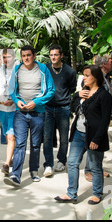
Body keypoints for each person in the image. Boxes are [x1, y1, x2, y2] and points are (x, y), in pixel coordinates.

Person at [54, 65, 112, 204]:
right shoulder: (83, 92)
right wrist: (76, 95)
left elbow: (105, 120)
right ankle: (71, 193)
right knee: (73, 163)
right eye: (84, 75)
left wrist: (97, 139)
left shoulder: (104, 95)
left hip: (93, 136)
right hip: (79, 133)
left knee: (95, 166)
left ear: (96, 77)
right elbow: (73, 108)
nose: (84, 78)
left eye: (87, 75)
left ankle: (97, 193)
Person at [4, 45, 55, 187]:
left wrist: (36, 102)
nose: (26, 58)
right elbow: (12, 90)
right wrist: (17, 101)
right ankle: (15, 175)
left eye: (28, 55)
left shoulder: (43, 69)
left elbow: (51, 90)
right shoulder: (17, 70)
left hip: (38, 113)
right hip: (20, 113)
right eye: (24, 55)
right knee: (20, 144)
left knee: (35, 144)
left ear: (34, 55)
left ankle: (33, 170)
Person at [43, 45, 76, 177]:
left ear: (61, 55)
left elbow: (72, 88)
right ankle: (48, 164)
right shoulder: (45, 69)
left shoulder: (69, 71)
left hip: (63, 107)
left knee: (63, 137)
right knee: (47, 137)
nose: (53, 57)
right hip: (48, 107)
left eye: (56, 55)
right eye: (51, 55)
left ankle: (61, 160)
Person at [83, 54, 112, 182]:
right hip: (95, 119)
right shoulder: (93, 78)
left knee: (98, 145)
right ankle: (89, 170)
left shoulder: (106, 78)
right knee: (93, 145)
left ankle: (96, 168)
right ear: (103, 64)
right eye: (111, 62)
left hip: (103, 116)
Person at [0, 48, 17, 176]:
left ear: (14, 57)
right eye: (4, 57)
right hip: (2, 108)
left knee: (11, 135)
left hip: (14, 109)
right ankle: (11, 157)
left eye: (9, 57)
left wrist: (13, 100)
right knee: (8, 135)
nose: (6, 60)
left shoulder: (19, 70)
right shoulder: (0, 71)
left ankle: (6, 164)